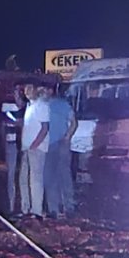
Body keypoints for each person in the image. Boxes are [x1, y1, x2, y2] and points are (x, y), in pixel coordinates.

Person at [42, 85, 77, 217]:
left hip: (60, 143)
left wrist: (67, 137)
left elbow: (73, 122)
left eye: (44, 89)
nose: (42, 92)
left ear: (50, 91)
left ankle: (68, 205)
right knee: (50, 177)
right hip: (48, 145)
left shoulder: (62, 104)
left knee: (63, 175)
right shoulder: (42, 105)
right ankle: (54, 208)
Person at [19, 81, 50, 218]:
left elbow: (44, 128)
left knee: (35, 179)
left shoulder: (42, 106)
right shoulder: (29, 106)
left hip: (36, 148)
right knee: (23, 178)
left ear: (36, 90)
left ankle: (36, 210)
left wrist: (35, 145)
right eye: (25, 89)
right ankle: (25, 208)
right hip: (26, 148)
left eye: (29, 88)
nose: (26, 91)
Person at [1, 85, 25, 216]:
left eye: (19, 91)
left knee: (22, 175)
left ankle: (22, 205)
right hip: (11, 143)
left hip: (24, 144)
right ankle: (11, 205)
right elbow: (5, 124)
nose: (18, 93)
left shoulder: (27, 106)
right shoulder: (7, 104)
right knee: (11, 175)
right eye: (15, 91)